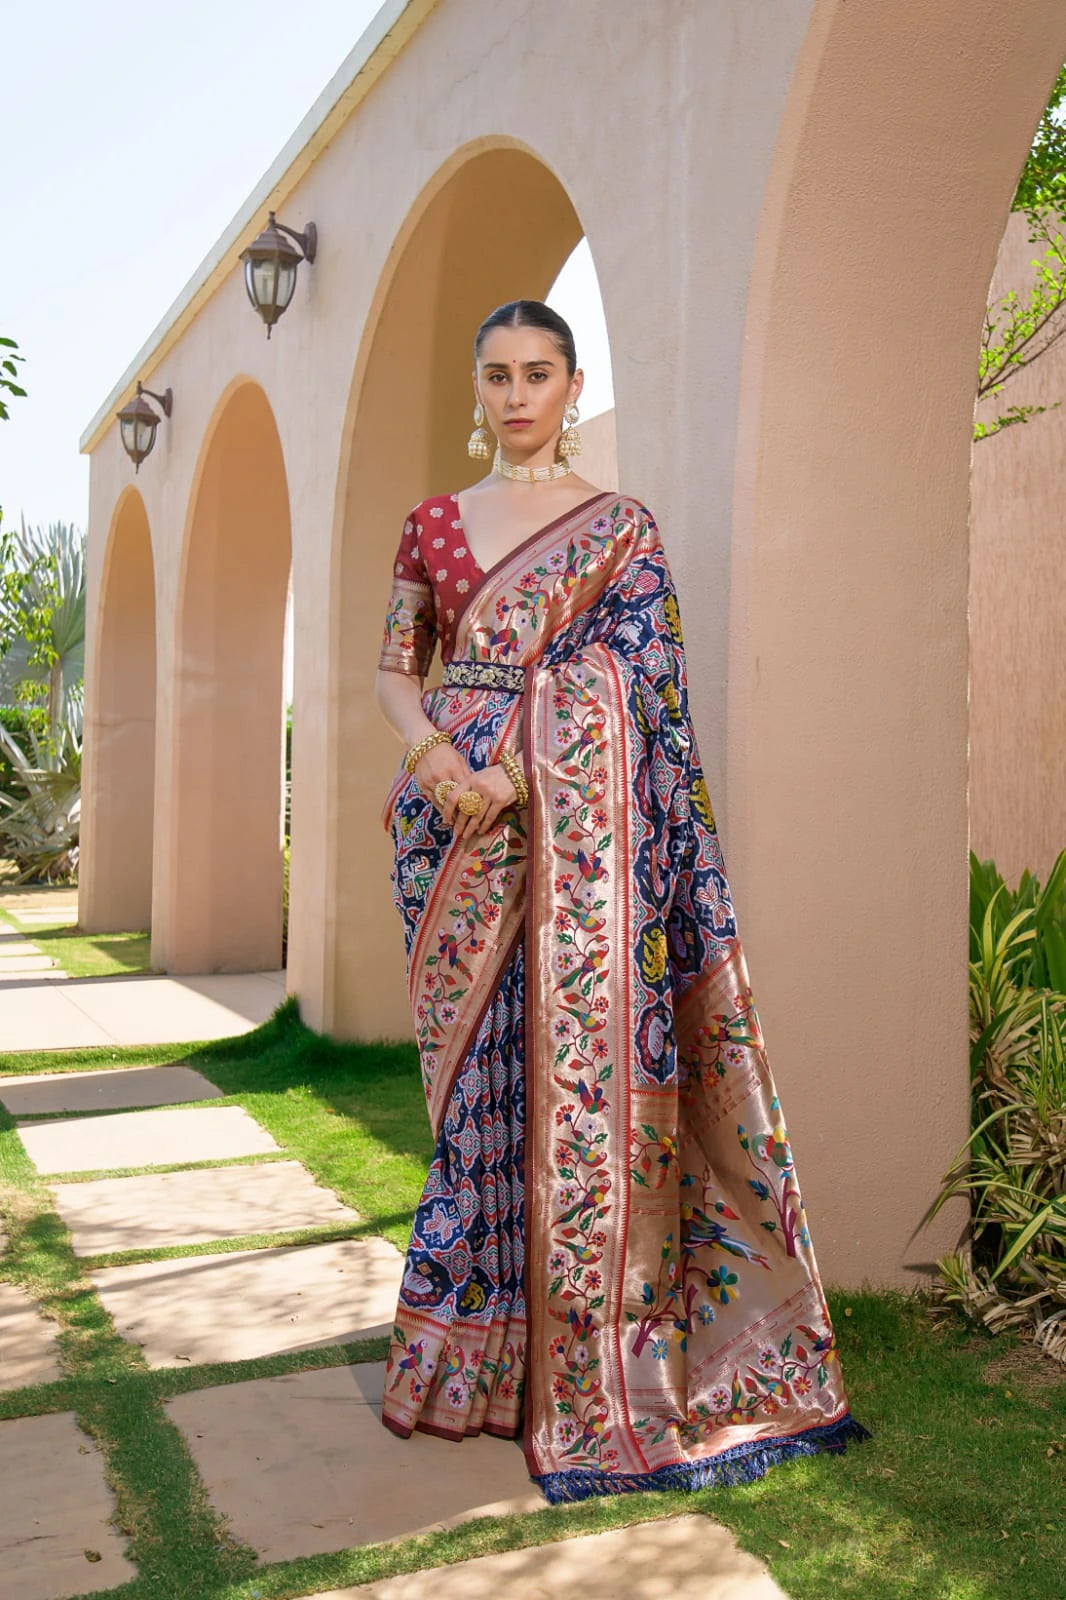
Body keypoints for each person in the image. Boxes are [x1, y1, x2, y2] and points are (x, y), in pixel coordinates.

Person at [374, 298, 871, 1503]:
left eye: (537, 373)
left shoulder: (620, 532)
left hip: (575, 838)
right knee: (475, 1099)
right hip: (453, 836)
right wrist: (440, 761)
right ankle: (475, 1362)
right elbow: (397, 668)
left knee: (573, 1082)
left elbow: (643, 688)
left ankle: (594, 1353)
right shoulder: (434, 524)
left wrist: (523, 764)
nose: (515, 396)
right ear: (476, 388)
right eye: (495, 375)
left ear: (572, 381)